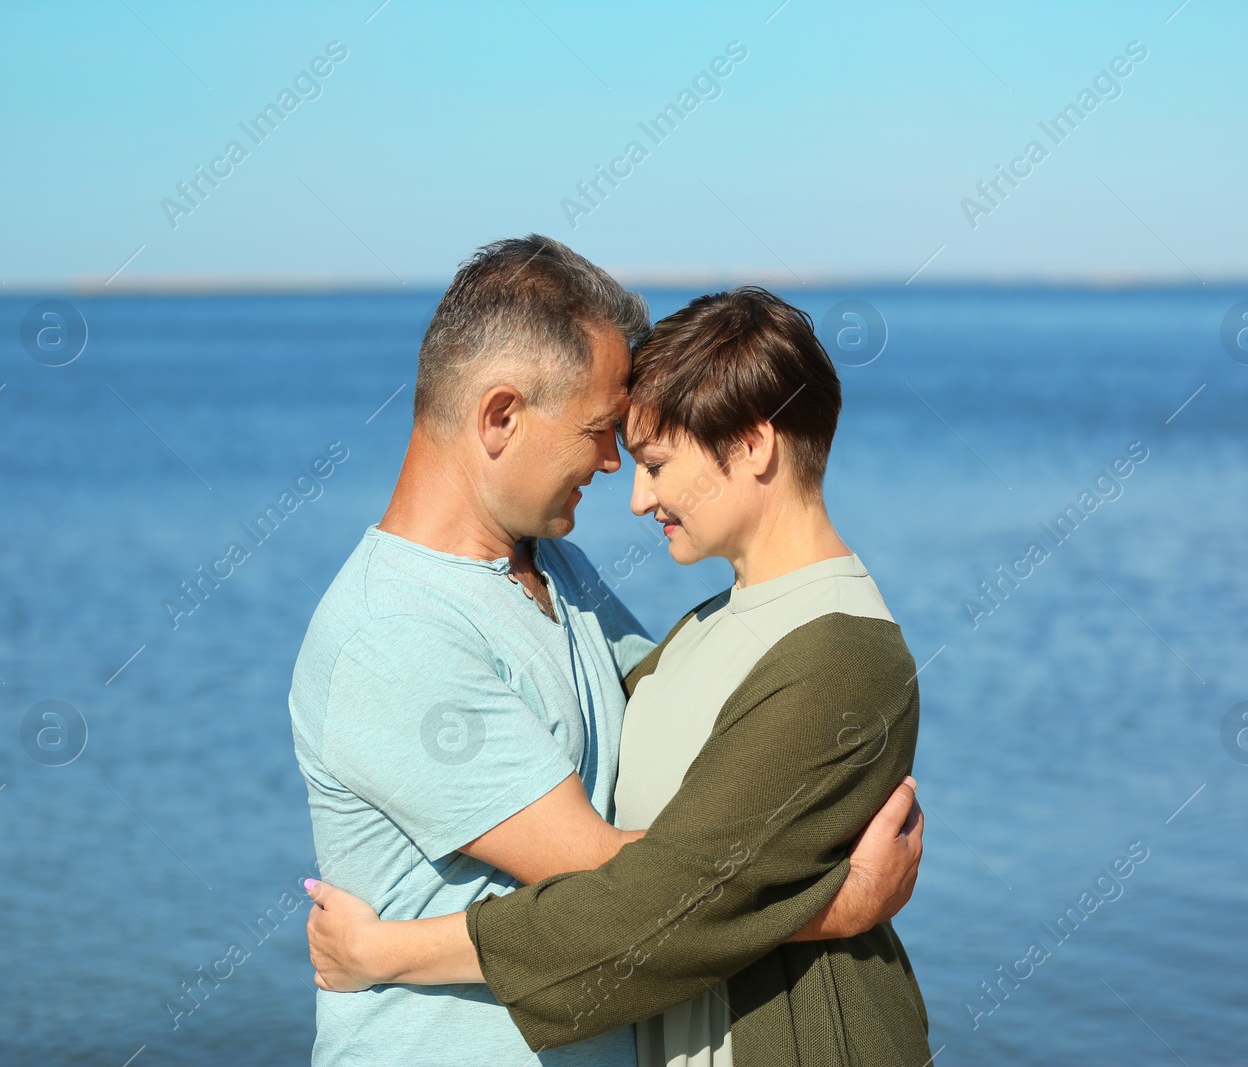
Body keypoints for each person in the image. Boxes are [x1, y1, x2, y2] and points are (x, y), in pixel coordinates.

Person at [288, 240, 920, 1067]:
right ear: (500, 416)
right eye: (599, 430)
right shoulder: (394, 634)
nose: (616, 467)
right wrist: (842, 904)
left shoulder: (554, 566)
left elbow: (692, 713)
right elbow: (620, 883)